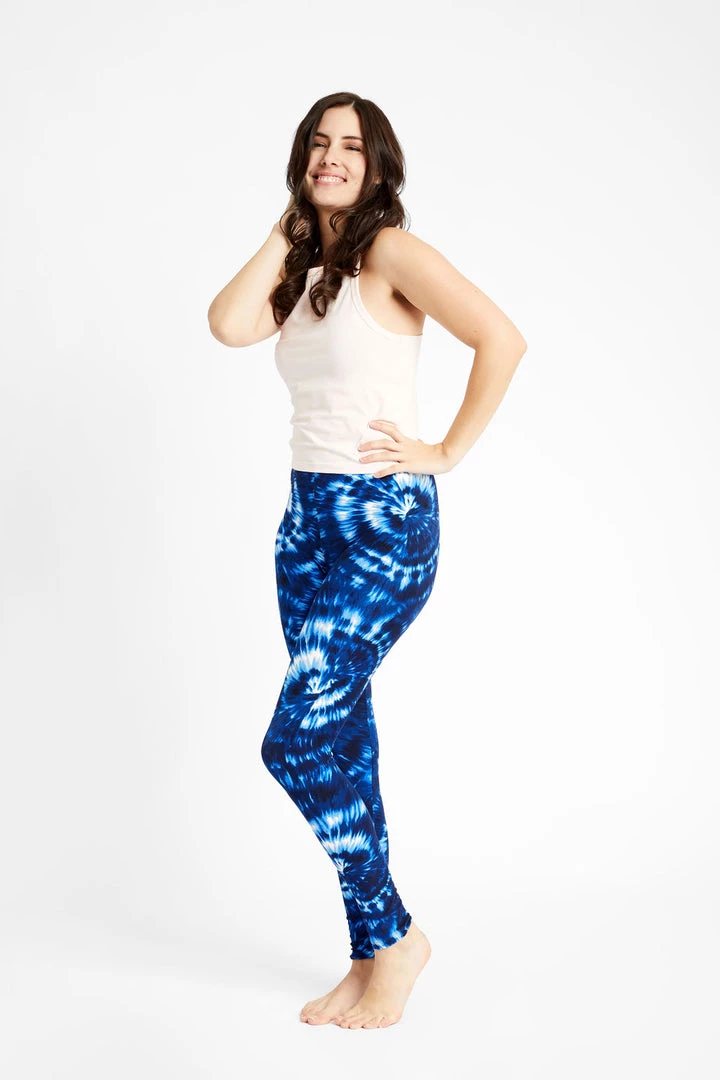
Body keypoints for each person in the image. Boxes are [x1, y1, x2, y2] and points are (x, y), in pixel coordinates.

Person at [207, 92, 527, 1030]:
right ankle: (367, 955)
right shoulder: (308, 274)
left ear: (379, 165)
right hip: (306, 524)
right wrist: (291, 225)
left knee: (296, 739)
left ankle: (397, 938)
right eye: (319, 144)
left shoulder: (391, 253)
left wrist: (444, 451)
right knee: (343, 737)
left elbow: (502, 338)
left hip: (384, 522)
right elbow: (226, 324)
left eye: (351, 146)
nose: (332, 157)